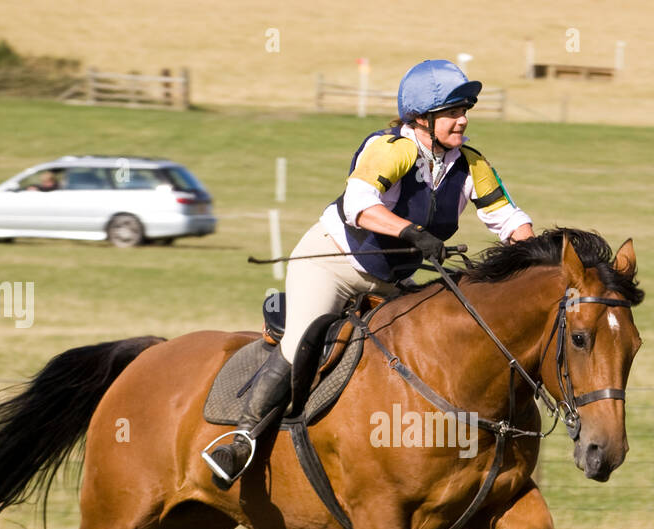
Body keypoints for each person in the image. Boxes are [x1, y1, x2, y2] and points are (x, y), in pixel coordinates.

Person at [204, 58, 534, 487]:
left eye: (464, 110)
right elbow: (358, 205)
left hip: (389, 280)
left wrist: (538, 260)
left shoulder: (470, 163)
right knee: (301, 343)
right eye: (453, 112)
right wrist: (413, 233)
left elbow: (508, 220)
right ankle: (241, 439)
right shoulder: (390, 148)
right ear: (422, 116)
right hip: (333, 263)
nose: (463, 120)